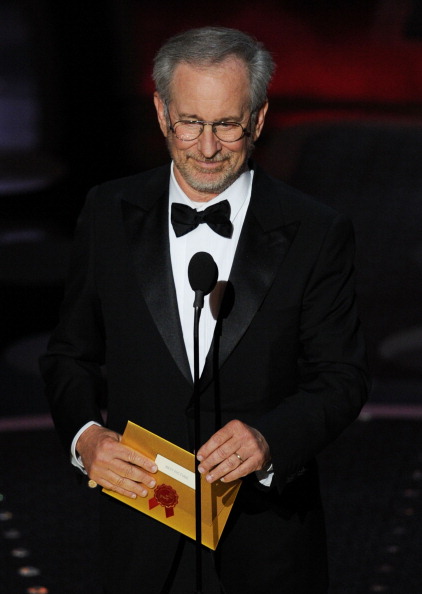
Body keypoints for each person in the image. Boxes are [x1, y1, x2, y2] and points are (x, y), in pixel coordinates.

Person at [40, 26, 369, 594]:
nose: (208, 148)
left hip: (267, 546)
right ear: (161, 112)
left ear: (258, 120)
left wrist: (270, 438)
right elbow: (69, 355)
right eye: (190, 122)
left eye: (227, 124)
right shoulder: (107, 211)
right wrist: (86, 438)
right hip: (141, 538)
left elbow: (342, 377)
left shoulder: (317, 231)